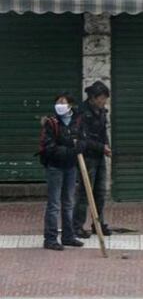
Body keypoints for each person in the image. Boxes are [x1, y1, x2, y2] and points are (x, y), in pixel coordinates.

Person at [41, 93, 85, 251]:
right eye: (57, 102)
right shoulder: (51, 122)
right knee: (54, 203)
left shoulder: (77, 120)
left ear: (70, 105)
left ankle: (68, 236)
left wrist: (81, 146)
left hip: (71, 167)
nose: (60, 105)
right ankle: (50, 238)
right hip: (55, 166)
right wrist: (68, 151)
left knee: (68, 202)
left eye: (63, 102)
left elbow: (82, 139)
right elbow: (49, 146)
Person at [73, 81, 112, 238]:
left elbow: (103, 132)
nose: (104, 101)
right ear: (93, 98)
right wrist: (101, 147)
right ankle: (77, 226)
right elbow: (83, 139)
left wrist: (107, 146)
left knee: (100, 192)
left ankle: (98, 223)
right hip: (87, 158)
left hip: (99, 156)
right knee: (84, 192)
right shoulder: (81, 113)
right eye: (102, 98)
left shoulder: (102, 111)